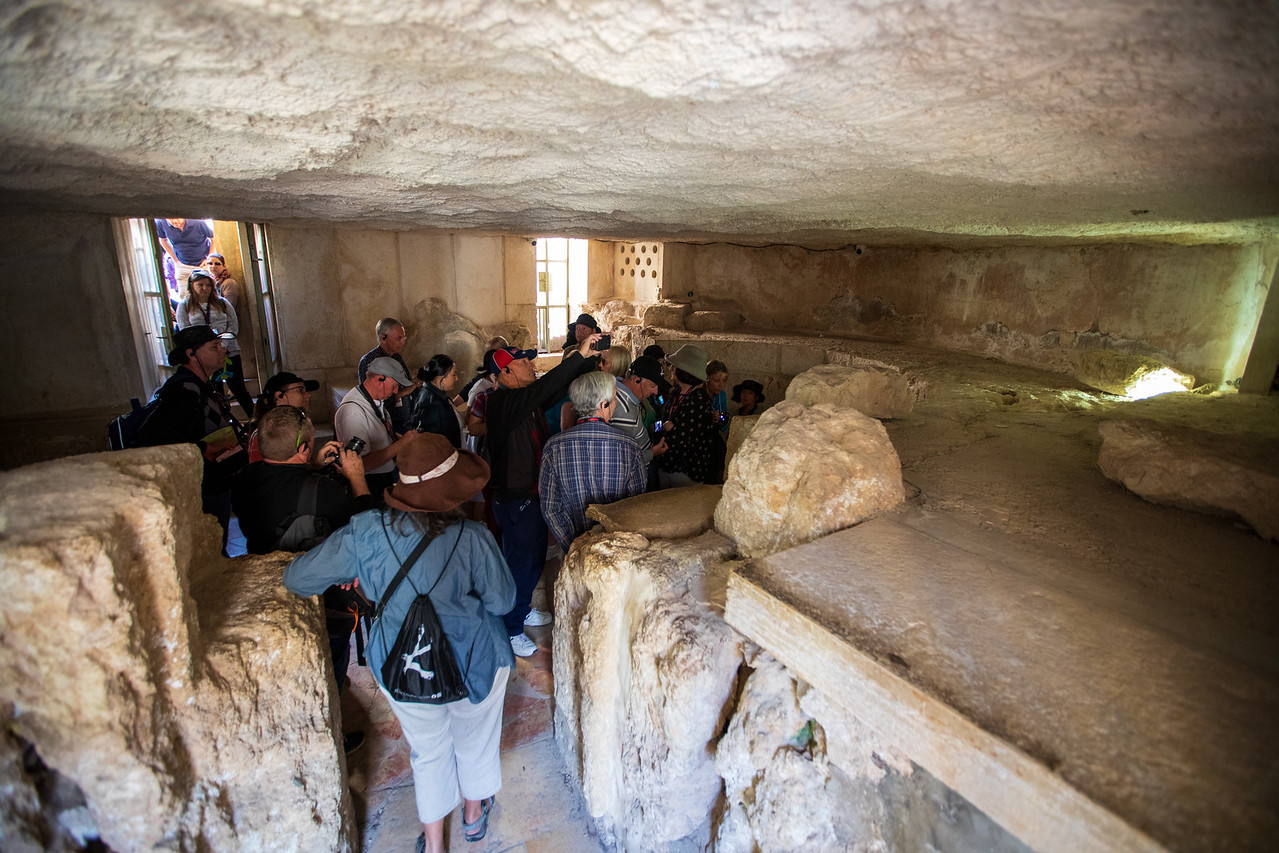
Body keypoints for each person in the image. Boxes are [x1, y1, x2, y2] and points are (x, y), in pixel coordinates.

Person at [283, 433, 514, 853]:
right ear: (455, 489)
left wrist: (354, 572)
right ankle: (473, 815)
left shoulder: (366, 532)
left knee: (429, 751)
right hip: (474, 659)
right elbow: (502, 601)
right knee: (475, 738)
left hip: (401, 663)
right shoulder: (474, 538)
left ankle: (434, 843)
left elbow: (298, 578)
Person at [231, 406, 375, 755]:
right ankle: (331, 734)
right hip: (320, 596)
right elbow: (366, 535)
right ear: (303, 448)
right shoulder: (325, 491)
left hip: (265, 577)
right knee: (329, 663)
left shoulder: (245, 478)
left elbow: (281, 486)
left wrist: (308, 467)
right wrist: (356, 478)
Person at [486, 338, 600, 656]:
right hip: (517, 499)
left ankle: (519, 610)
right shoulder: (503, 403)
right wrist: (577, 355)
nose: (531, 366)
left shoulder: (522, 400)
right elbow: (544, 388)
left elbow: (553, 388)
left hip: (527, 495)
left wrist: (583, 361)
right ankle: (511, 629)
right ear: (505, 372)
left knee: (528, 560)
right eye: (523, 363)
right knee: (523, 564)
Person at [133, 324, 246, 541]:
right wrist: (204, 447)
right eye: (214, 346)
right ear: (191, 354)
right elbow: (156, 437)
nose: (223, 350)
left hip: (214, 480)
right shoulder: (183, 390)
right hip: (202, 486)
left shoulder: (201, 384)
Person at [539, 372, 646, 553]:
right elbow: (635, 504)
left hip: (576, 550)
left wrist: (575, 546)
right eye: (614, 399)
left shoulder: (553, 447)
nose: (616, 403)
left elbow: (551, 508)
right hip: (616, 549)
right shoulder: (629, 446)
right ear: (604, 405)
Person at [174, 268, 255, 414]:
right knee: (215, 391)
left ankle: (255, 418)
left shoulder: (222, 303)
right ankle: (224, 422)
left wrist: (222, 345)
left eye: (208, 285)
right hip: (205, 356)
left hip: (229, 351)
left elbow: (233, 326)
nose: (204, 288)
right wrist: (208, 348)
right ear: (192, 285)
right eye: (200, 285)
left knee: (238, 388)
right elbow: (186, 331)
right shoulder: (185, 306)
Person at [335, 356, 416, 498]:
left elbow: (379, 433)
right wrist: (403, 443)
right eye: (395, 385)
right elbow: (362, 464)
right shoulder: (353, 411)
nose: (396, 391)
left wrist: (398, 439)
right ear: (380, 379)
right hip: (369, 484)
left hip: (383, 477)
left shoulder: (375, 400)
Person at [654, 344, 719, 488]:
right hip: (667, 464)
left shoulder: (699, 398)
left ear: (684, 372)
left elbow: (683, 436)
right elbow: (665, 423)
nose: (671, 368)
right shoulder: (677, 392)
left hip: (686, 469)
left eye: (675, 366)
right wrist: (665, 426)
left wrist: (668, 427)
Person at [359, 318, 420, 434]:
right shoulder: (369, 361)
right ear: (383, 338)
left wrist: (416, 384)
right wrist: (402, 392)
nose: (403, 343)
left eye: (404, 338)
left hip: (406, 421)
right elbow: (371, 399)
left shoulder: (397, 357)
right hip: (388, 425)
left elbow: (406, 384)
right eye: (399, 339)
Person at [609, 355, 668, 470]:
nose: (656, 392)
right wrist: (652, 453)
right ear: (636, 380)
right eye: (652, 386)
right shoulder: (624, 411)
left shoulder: (616, 388)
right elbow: (624, 460)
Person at [248, 371, 320, 460]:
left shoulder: (298, 425)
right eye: (300, 390)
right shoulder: (264, 435)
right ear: (279, 395)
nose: (307, 395)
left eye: (306, 390)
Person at [411, 354, 464, 448]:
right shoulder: (433, 402)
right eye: (454, 374)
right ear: (441, 378)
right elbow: (435, 442)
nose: (456, 379)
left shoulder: (436, 395)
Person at [155, 218, 215, 286]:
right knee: (182, 291)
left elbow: (213, 238)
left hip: (202, 264)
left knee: (205, 289)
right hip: (182, 264)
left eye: (177, 218)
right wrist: (175, 259)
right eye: (170, 218)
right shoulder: (161, 222)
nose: (175, 221)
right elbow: (162, 240)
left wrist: (209, 258)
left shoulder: (198, 221)